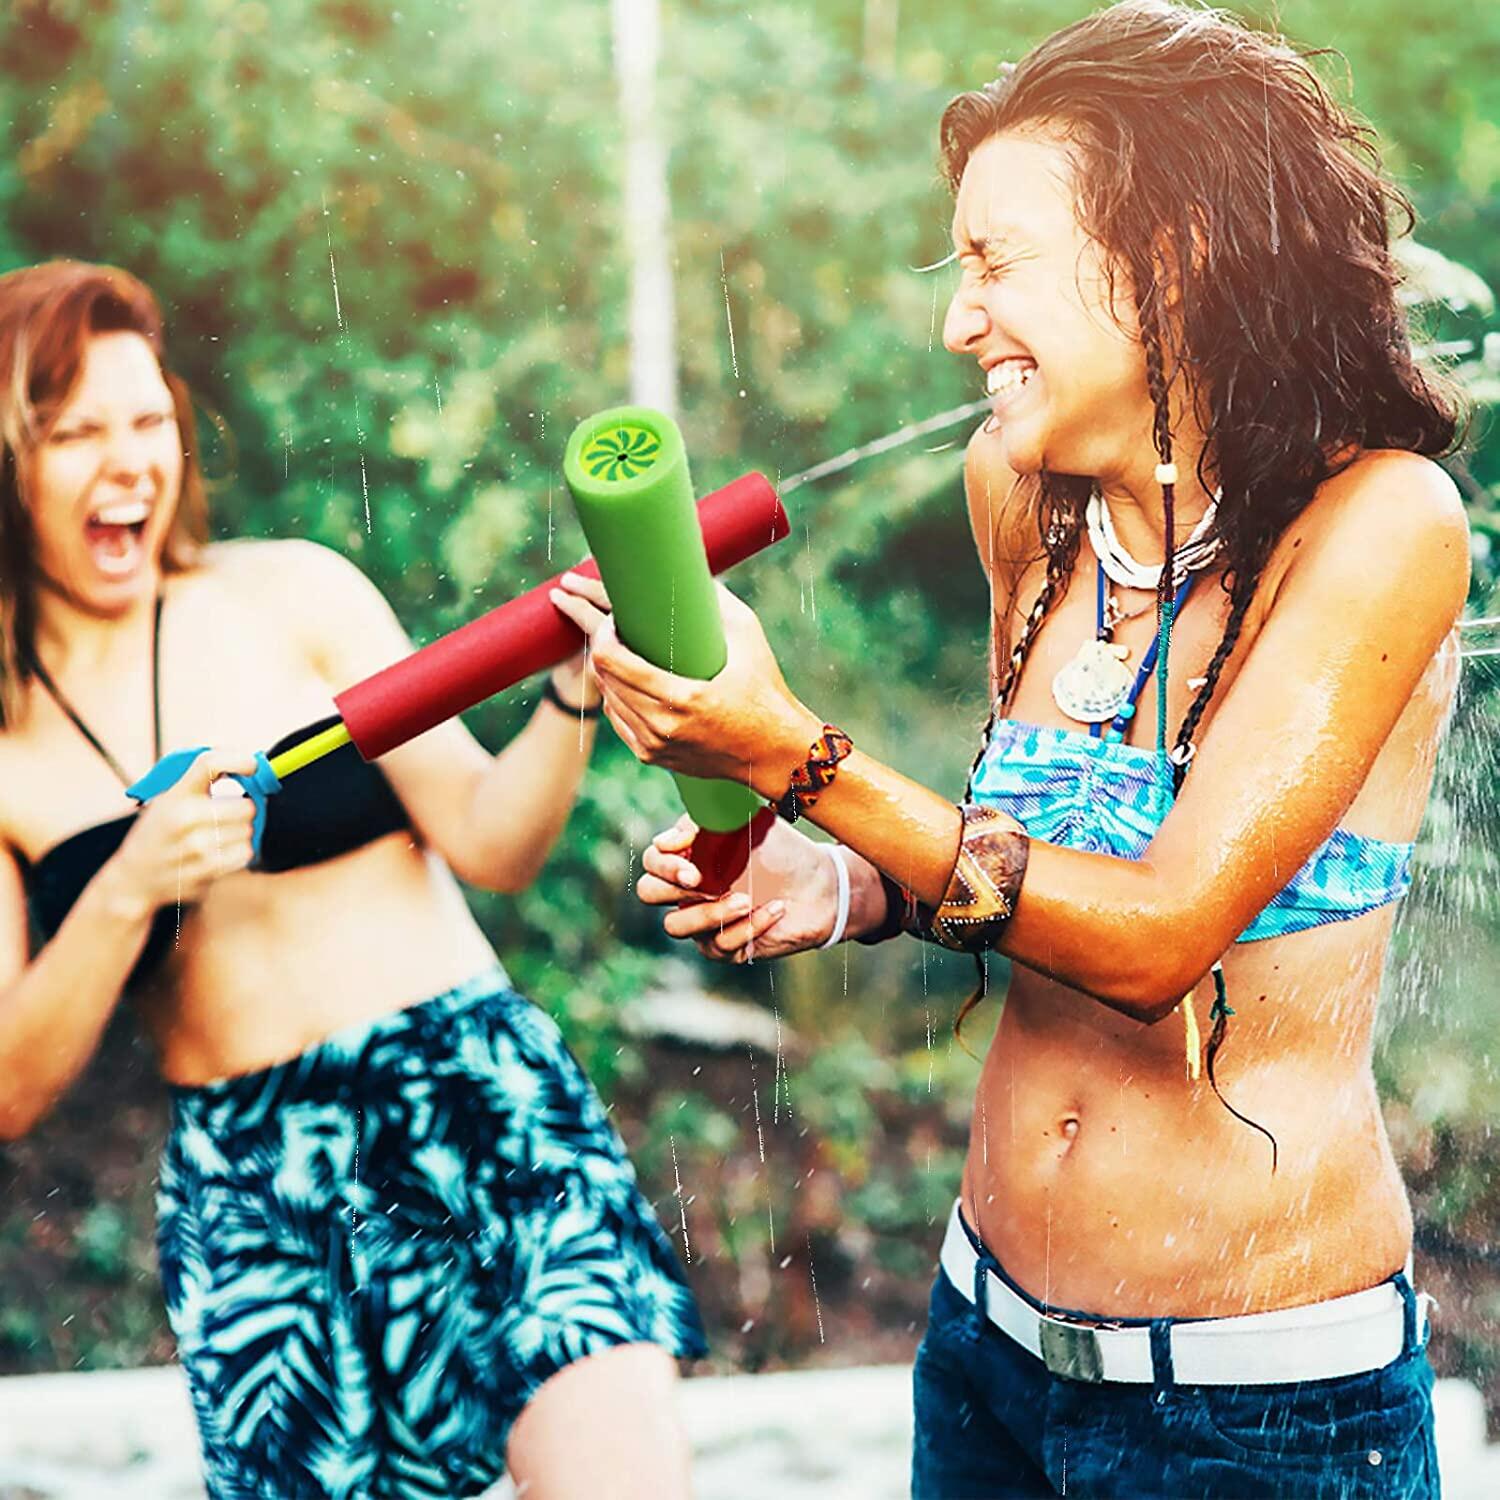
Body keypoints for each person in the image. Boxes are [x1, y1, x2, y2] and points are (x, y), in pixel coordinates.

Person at [549, 3, 1470, 1494]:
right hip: (984, 1354)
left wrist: (799, 759)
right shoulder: (1025, 495)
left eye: (995, 264)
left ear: (1175, 257)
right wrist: (847, 887)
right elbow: (1024, 866)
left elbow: (1158, 934)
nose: (958, 322)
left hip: (1254, 1411)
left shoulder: (1378, 526)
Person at [0, 259, 704, 1500]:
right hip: (255, 1190)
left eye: (148, 420)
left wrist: (570, 693)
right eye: (76, 434)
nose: (129, 463)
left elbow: (492, 842)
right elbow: (11, 1089)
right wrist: (127, 886)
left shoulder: (291, 594)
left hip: (472, 1098)